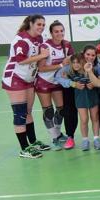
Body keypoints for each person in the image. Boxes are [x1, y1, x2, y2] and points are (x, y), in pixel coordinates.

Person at [2, 15, 51, 158]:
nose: (41, 27)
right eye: (39, 24)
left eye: (43, 25)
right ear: (30, 23)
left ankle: (33, 142)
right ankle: (24, 148)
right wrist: (42, 55)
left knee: (28, 111)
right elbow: (21, 60)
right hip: (15, 78)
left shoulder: (39, 39)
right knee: (20, 113)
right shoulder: (21, 40)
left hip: (28, 78)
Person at [35, 20, 74, 150]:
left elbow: (72, 63)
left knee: (61, 109)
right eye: (56, 31)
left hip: (57, 82)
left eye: (61, 31)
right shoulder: (45, 46)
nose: (59, 33)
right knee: (48, 111)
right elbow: (41, 68)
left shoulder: (67, 45)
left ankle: (57, 133)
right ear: (51, 33)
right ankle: (53, 138)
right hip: (44, 81)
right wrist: (61, 65)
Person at [56, 53, 100, 151]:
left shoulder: (92, 70)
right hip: (80, 98)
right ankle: (85, 140)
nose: (76, 65)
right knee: (84, 119)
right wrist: (70, 82)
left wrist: (94, 84)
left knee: (95, 118)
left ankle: (96, 139)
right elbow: (58, 77)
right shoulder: (71, 73)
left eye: (78, 62)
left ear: (83, 62)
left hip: (92, 96)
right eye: (73, 63)